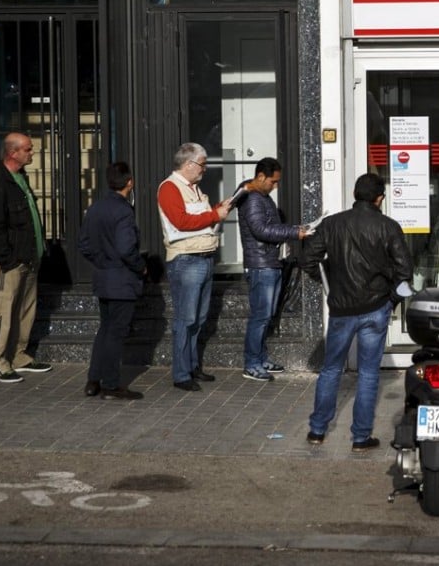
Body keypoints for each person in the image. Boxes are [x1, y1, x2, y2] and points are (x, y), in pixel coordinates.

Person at [300, 172, 412, 451]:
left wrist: (330, 285)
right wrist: (391, 300)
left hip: (341, 308)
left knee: (330, 370)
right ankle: (361, 437)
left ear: (354, 194)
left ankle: (317, 430)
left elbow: (308, 259)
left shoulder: (331, 224)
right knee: (369, 373)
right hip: (375, 307)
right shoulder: (388, 226)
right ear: (380, 198)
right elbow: (404, 271)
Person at [157, 142, 230, 392]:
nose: (204, 169)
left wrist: (218, 211)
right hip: (186, 259)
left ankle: (192, 365)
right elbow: (181, 221)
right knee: (185, 319)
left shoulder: (194, 189)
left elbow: (201, 219)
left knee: (198, 318)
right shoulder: (169, 188)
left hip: (204, 257)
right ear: (188, 164)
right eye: (202, 164)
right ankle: (181, 373)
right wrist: (214, 215)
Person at [0, 132, 53, 383]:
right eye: (27, 149)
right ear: (13, 153)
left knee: (25, 312)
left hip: (28, 259)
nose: (31, 152)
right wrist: (7, 259)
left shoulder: (20, 179)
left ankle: (18, 356)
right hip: (9, 263)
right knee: (1, 312)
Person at [78, 162, 146, 400]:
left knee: (105, 330)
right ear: (129, 182)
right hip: (122, 281)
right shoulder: (124, 211)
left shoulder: (95, 208)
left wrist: (101, 261)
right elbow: (126, 248)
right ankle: (111, 384)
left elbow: (84, 245)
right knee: (116, 333)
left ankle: (93, 380)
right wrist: (142, 267)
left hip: (103, 277)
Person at [235, 157, 307, 382]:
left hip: (270, 262)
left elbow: (271, 227)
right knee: (260, 316)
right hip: (260, 265)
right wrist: (293, 233)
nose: (275, 186)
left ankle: (260, 357)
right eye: (273, 182)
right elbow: (261, 230)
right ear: (260, 177)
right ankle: (252, 363)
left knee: (266, 316)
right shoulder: (253, 199)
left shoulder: (262, 198)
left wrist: (294, 229)